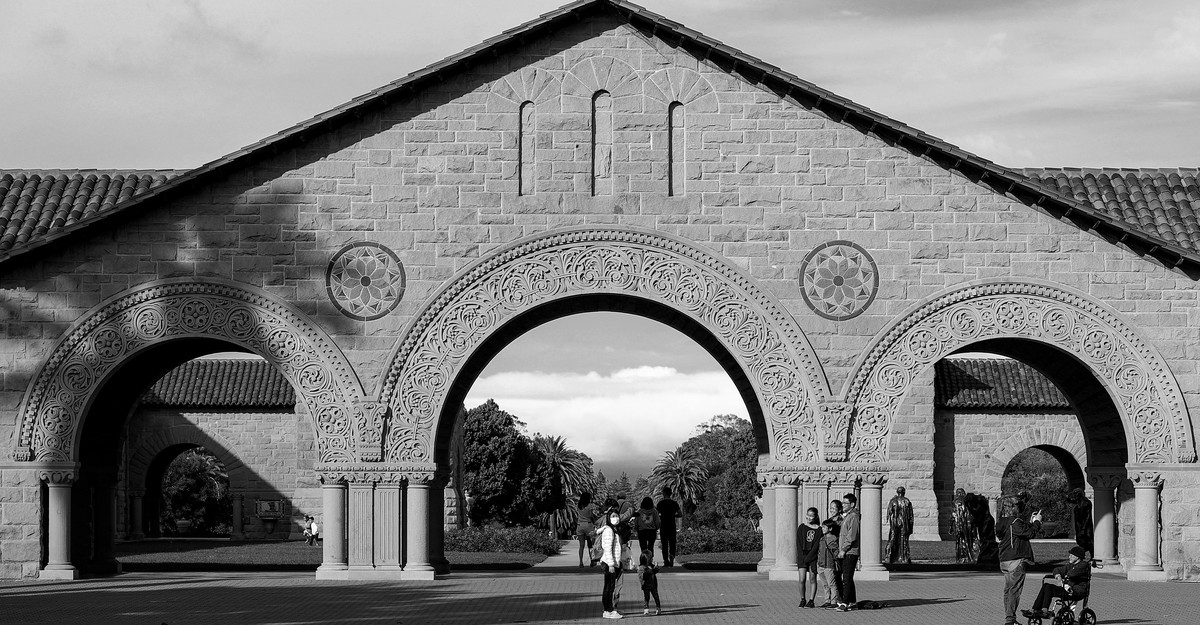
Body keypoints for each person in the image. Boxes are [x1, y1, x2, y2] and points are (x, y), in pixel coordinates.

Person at [996, 492, 1043, 625]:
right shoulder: (1015, 522)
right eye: (1017, 505)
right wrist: (1037, 522)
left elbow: (1020, 532)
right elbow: (1030, 533)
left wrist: (1030, 522)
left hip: (1004, 559)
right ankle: (1010, 620)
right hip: (1015, 559)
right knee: (1014, 591)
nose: (1019, 507)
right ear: (1012, 507)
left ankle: (1010, 618)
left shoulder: (1001, 522)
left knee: (1008, 590)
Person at [1022, 545, 1091, 620]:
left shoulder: (1083, 565)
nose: (1069, 557)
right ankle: (1035, 609)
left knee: (1049, 587)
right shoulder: (1071, 565)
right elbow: (1057, 569)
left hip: (1076, 591)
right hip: (1067, 589)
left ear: (1077, 557)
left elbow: (1072, 573)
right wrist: (1058, 577)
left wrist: (1065, 575)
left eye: (1071, 555)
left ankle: (1044, 610)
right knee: (1046, 585)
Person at [596, 506, 625, 620]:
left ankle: (609, 609)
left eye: (617, 516)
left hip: (613, 562)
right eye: (613, 516)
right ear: (608, 517)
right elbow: (607, 548)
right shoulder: (608, 530)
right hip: (609, 563)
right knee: (609, 587)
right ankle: (608, 610)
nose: (615, 518)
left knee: (610, 587)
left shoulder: (614, 529)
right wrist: (611, 564)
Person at [836, 492, 861, 612]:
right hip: (845, 551)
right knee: (848, 578)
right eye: (843, 502)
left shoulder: (854, 517)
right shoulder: (847, 516)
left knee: (846, 578)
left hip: (850, 552)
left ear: (852, 504)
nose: (843, 505)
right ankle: (852, 601)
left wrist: (843, 549)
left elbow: (851, 536)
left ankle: (845, 603)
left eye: (846, 503)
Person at [797, 507, 822, 608]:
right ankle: (802, 599)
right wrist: (802, 556)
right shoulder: (802, 527)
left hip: (813, 556)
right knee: (802, 579)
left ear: (815, 517)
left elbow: (817, 545)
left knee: (812, 578)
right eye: (807, 515)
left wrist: (811, 556)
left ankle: (811, 600)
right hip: (802, 555)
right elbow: (798, 542)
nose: (808, 518)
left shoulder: (819, 529)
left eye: (811, 516)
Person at [816, 519, 843, 610]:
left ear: (830, 528)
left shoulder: (833, 539)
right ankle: (827, 600)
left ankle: (834, 601)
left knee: (832, 584)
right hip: (821, 565)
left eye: (824, 527)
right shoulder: (822, 538)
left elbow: (836, 552)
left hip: (829, 565)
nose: (822, 528)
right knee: (825, 584)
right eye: (822, 526)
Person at [885, 486, 914, 564]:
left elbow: (889, 514)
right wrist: (910, 527)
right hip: (904, 523)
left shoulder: (893, 501)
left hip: (895, 522)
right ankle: (904, 558)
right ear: (903, 492)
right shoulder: (907, 501)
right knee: (904, 540)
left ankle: (889, 557)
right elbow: (911, 516)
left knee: (892, 539)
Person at [656, 487, 682, 567]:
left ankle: (665, 561)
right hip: (672, 525)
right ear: (670, 493)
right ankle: (672, 557)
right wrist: (674, 515)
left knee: (664, 544)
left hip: (663, 525)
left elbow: (656, 515)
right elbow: (680, 514)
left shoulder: (660, 504)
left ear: (664, 493)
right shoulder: (674, 503)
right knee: (672, 543)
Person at [1067, 488, 1094, 558]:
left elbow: (1088, 516)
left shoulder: (1086, 503)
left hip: (1086, 526)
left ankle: (1091, 556)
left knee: (1088, 542)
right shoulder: (1078, 504)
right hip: (1079, 526)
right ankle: (1080, 555)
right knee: (1081, 541)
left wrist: (1084, 528)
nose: (1075, 498)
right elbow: (1069, 500)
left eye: (1075, 496)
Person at [953, 488, 977, 564]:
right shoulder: (969, 502)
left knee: (962, 541)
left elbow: (957, 516)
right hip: (970, 525)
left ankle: (963, 558)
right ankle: (971, 557)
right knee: (970, 540)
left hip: (962, 524)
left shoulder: (957, 502)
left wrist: (957, 527)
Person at [576, 491, 599, 567]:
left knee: (581, 545)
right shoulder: (590, 506)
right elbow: (590, 515)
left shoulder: (579, 505)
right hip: (588, 525)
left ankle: (580, 562)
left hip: (579, 525)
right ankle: (592, 561)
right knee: (590, 545)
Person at [635, 497, 661, 562]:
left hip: (642, 531)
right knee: (651, 546)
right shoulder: (654, 511)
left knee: (643, 547)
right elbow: (657, 521)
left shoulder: (640, 511)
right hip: (652, 531)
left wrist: (636, 528)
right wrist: (656, 527)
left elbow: (636, 521)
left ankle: (644, 560)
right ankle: (650, 560)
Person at [637, 549, 661, 616]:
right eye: (651, 558)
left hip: (653, 584)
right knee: (647, 597)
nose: (652, 559)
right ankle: (646, 609)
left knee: (656, 596)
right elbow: (643, 576)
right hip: (646, 585)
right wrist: (651, 571)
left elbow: (654, 571)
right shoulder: (642, 568)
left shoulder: (651, 566)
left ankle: (658, 608)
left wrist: (656, 568)